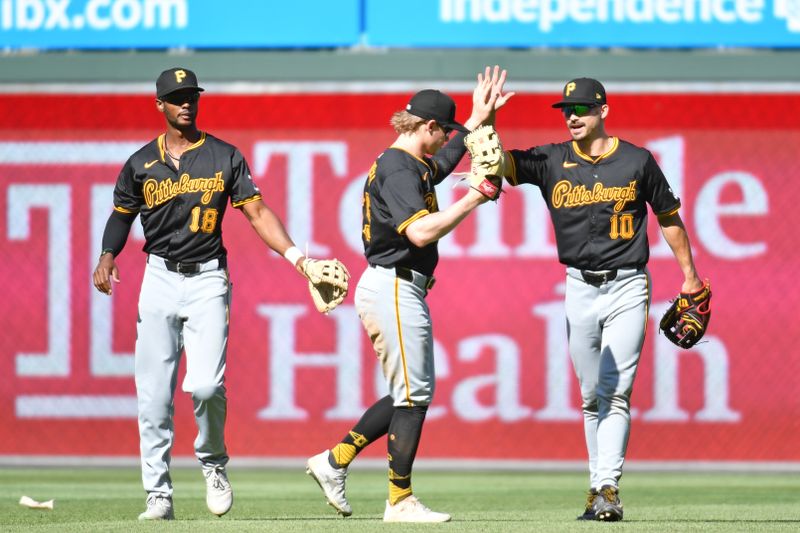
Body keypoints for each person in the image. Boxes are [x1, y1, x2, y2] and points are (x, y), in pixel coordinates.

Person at [91, 67, 342, 521]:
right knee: (153, 397)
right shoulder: (140, 163)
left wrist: (299, 261)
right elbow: (120, 216)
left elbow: (258, 212)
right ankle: (158, 494)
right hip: (159, 278)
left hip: (208, 278)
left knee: (205, 385)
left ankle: (212, 462)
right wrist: (108, 254)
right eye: (176, 96)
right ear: (160, 105)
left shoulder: (224, 156)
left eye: (191, 95)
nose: (186, 102)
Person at [305, 67, 513, 523]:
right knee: (413, 396)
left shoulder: (409, 162)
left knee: (409, 394)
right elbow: (419, 232)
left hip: (397, 286)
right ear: (428, 127)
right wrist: (474, 197)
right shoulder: (400, 169)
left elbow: (441, 165)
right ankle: (399, 500)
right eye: (445, 132)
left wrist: (479, 117)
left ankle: (333, 461)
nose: (448, 141)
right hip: (394, 284)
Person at [498, 78, 706, 521]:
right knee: (591, 394)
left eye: (582, 108)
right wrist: (488, 119)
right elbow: (497, 164)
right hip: (577, 285)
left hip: (629, 284)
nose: (572, 116)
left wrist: (689, 275)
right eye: (566, 109)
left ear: (603, 111)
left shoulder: (636, 160)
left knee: (615, 391)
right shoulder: (551, 158)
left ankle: (608, 486)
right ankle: (597, 487)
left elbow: (668, 217)